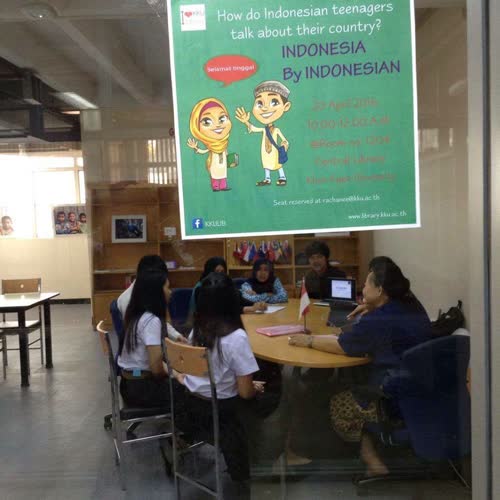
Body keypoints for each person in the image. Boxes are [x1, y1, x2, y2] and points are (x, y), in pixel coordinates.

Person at [288, 259, 432, 478]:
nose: (362, 289)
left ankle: (312, 452)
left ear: (380, 290)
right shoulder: (411, 304)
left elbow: (343, 345)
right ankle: (371, 450)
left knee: (320, 394)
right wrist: (373, 307)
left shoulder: (379, 320)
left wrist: (308, 340)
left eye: (366, 284)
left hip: (389, 394)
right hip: (421, 388)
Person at [174, 272, 266, 482]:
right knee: (273, 397)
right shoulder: (236, 337)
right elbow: (245, 393)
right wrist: (252, 386)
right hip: (221, 413)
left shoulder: (196, 331)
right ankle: (258, 462)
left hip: (190, 407)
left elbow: (208, 373)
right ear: (232, 302)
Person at [117, 268, 184, 408]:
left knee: (181, 379)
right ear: (156, 292)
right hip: (142, 389)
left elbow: (153, 361)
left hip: (129, 382)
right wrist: (177, 377)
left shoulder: (136, 314)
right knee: (191, 391)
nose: (170, 292)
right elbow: (156, 369)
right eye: (167, 287)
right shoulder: (151, 321)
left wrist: (176, 374)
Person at [117, 255, 185, 343]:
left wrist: (177, 336)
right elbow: (153, 328)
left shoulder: (148, 293)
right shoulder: (129, 299)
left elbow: (162, 322)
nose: (170, 291)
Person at [236, 80, 292, 186]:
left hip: (274, 151)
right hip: (265, 152)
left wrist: (284, 146)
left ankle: (282, 177)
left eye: (274, 102)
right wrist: (246, 122)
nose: (265, 108)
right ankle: (267, 179)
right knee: (266, 164)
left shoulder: (276, 130)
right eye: (259, 103)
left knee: (278, 164)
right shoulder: (264, 129)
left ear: (286, 106)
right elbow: (253, 128)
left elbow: (285, 140)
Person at [187, 257, 267, 322]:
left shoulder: (226, 284)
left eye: (222, 272)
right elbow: (220, 311)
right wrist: (248, 309)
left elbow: (239, 300)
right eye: (216, 272)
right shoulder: (202, 289)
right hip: (211, 329)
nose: (220, 275)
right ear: (209, 272)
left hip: (229, 326)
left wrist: (257, 304)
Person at [187, 97, 236, 192]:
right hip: (214, 165)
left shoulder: (224, 144)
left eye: (222, 119)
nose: (217, 125)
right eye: (207, 122)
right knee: (215, 175)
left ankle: (223, 186)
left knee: (223, 175)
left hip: (223, 165)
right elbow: (203, 151)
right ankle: (216, 187)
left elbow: (226, 153)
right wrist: (196, 147)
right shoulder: (211, 146)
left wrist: (230, 159)